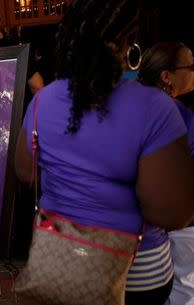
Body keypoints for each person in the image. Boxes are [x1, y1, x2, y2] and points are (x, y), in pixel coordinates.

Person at [14, 1, 194, 305]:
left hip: (62, 262)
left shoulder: (43, 101)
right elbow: (172, 213)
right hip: (138, 275)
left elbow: (24, 171)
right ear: (128, 46)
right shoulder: (155, 108)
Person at [137, 41, 194, 305]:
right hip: (179, 224)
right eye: (190, 66)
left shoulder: (133, 106)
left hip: (141, 226)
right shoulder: (180, 115)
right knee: (184, 292)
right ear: (166, 75)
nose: (193, 72)